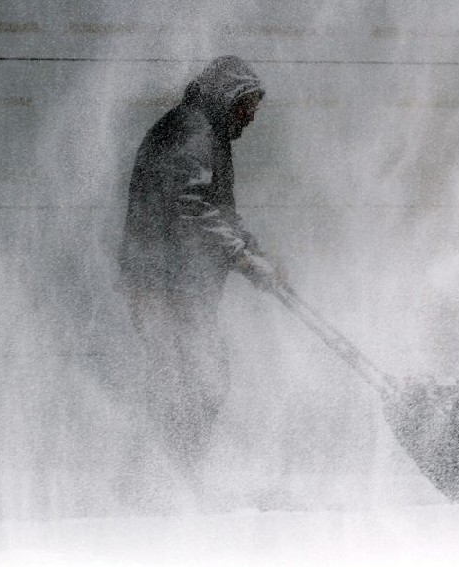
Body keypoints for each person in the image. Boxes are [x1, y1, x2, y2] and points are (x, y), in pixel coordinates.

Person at [117, 56, 278, 489]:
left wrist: (255, 251)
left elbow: (219, 209)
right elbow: (190, 205)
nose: (249, 119)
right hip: (164, 282)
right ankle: (164, 481)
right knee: (194, 378)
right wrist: (243, 258)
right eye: (247, 108)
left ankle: (162, 479)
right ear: (228, 98)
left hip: (174, 284)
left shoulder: (203, 130)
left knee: (188, 379)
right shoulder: (194, 130)